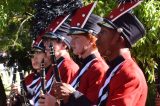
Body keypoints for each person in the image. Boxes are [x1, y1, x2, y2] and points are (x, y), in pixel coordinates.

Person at [96, 11, 148, 105]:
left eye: (103, 32)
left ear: (119, 38)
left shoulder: (129, 74)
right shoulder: (115, 69)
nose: (97, 36)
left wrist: (75, 96)